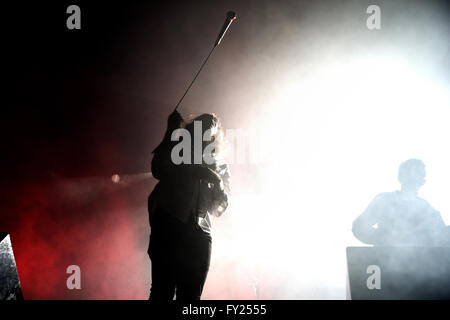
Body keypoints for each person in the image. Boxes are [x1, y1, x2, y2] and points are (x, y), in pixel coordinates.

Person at [147, 110, 230, 300]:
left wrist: (216, 181)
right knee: (162, 292)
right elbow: (158, 169)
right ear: (192, 132)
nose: (207, 137)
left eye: (212, 132)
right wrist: (170, 131)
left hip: (200, 235)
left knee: (191, 296)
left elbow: (219, 209)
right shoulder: (178, 150)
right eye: (203, 130)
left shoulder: (220, 166)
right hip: (169, 226)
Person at [352, 159, 450, 246]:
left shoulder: (427, 209)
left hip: (421, 263)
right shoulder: (384, 200)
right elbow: (359, 227)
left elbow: (442, 238)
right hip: (385, 260)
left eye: (419, 175)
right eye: (412, 174)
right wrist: (387, 239)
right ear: (401, 177)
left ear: (422, 181)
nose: (415, 178)